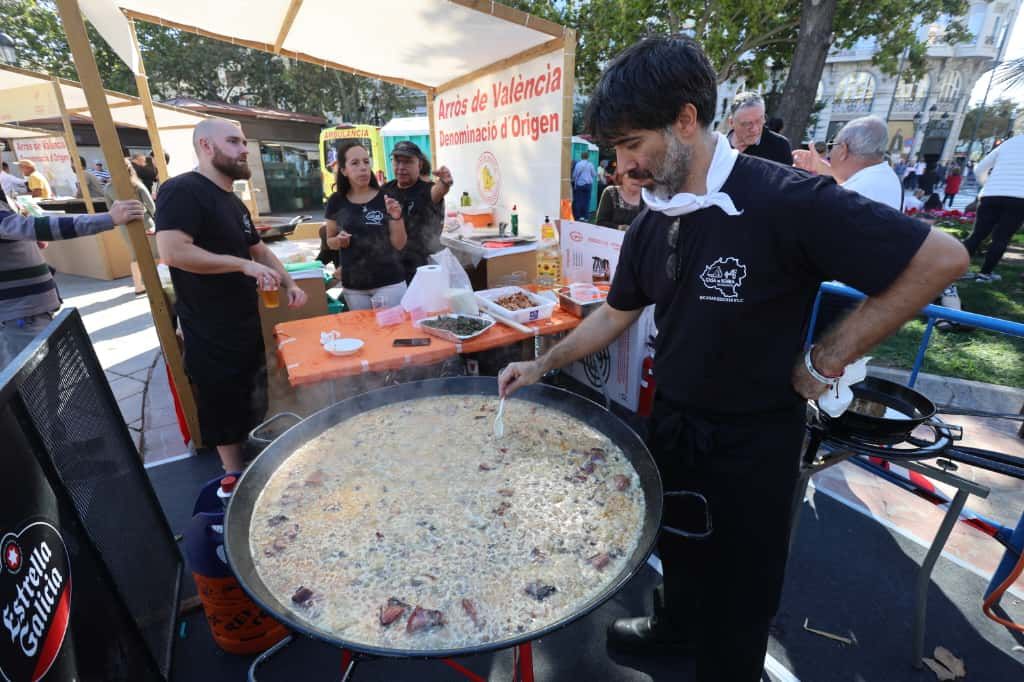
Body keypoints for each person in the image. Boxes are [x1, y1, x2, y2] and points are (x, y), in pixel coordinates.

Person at [497, 35, 967, 682]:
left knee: (739, 602)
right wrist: (542, 364)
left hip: (754, 446)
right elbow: (615, 313)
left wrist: (828, 356)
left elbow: (941, 260)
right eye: (618, 151)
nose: (624, 166)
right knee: (677, 552)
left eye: (634, 145)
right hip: (675, 423)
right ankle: (672, 633)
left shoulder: (786, 199)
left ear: (686, 120)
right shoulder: (654, 220)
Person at [156, 119, 308, 472]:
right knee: (223, 408)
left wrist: (291, 284)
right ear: (206, 146)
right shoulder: (181, 190)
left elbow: (260, 251)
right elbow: (174, 251)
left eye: (243, 142)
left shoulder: (233, 203)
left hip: (243, 322)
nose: (244, 150)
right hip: (208, 328)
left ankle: (254, 466)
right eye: (234, 142)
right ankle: (233, 478)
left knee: (251, 401)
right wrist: (241, 267)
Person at [1, 199, 145, 368]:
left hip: (24, 313)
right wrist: (107, 219)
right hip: (19, 316)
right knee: (36, 379)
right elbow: (30, 227)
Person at [324, 141, 408, 310]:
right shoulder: (336, 201)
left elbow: (399, 244)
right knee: (363, 335)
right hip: (354, 286)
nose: (363, 167)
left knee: (391, 335)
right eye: (354, 163)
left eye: (366, 161)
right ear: (343, 170)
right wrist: (339, 240)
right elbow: (329, 241)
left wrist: (397, 217)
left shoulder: (388, 197)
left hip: (389, 283)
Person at [792, 116, 903, 209]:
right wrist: (820, 167)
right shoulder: (887, 177)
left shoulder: (851, 196)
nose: (830, 154)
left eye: (832, 146)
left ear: (843, 150)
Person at [380, 141, 452, 282]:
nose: (401, 167)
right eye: (397, 161)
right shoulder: (385, 191)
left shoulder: (426, 189)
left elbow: (439, 190)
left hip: (424, 268)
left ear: (419, 164)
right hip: (393, 267)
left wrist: (444, 182)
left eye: (407, 162)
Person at [962, 134, 1024, 282]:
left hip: (991, 194)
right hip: (1019, 197)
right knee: (1001, 238)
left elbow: (979, 169)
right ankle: (985, 274)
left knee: (977, 235)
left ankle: (956, 269)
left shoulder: (1010, 142)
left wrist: (988, 185)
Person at [104, 158, 158, 295]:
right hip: (144, 222)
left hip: (125, 227)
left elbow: (111, 210)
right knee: (156, 253)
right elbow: (151, 206)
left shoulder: (108, 189)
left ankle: (138, 286)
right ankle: (159, 282)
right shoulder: (137, 185)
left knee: (135, 256)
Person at [726, 92, 793, 165]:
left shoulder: (779, 146)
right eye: (747, 124)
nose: (754, 129)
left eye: (759, 121)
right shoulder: (718, 147)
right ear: (731, 122)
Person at [572, 150, 597, 220]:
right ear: (588, 157)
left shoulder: (578, 164)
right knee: (587, 201)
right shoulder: (590, 164)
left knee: (578, 201)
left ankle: (578, 216)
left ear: (581, 156)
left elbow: (574, 175)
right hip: (588, 185)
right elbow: (594, 174)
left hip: (579, 184)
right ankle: (585, 217)